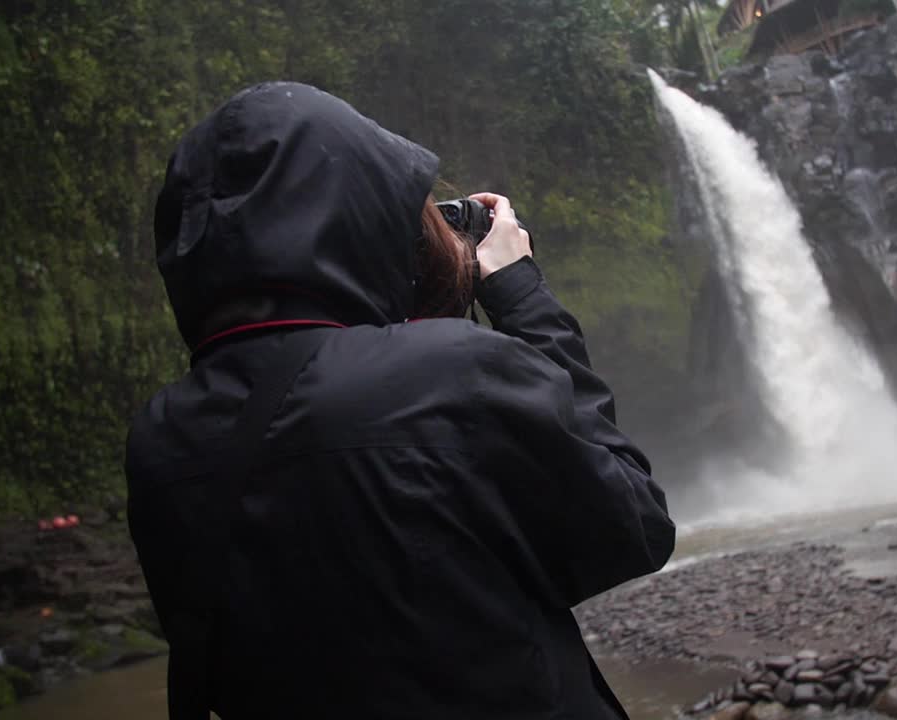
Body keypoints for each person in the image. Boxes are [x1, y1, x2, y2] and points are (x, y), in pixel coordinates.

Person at [125, 81, 676, 720]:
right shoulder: (450, 371)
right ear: (357, 224)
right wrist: (521, 295)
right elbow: (634, 525)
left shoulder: (159, 437)